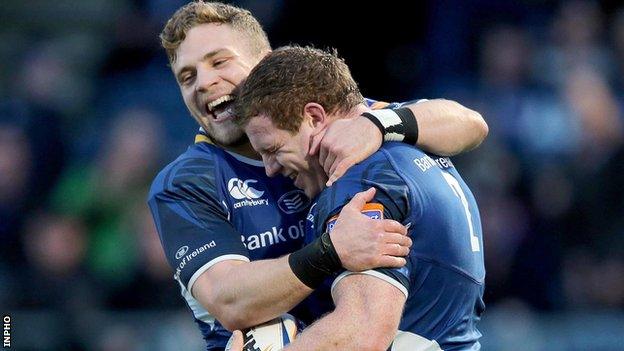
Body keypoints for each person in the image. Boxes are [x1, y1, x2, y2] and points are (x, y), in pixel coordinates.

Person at [148, 2, 488, 350]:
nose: (204, 82)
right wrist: (331, 250)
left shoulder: (348, 134)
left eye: (219, 61)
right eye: (187, 77)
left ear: (265, 61)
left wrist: (378, 124)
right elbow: (231, 300)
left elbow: (471, 123)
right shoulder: (186, 182)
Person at [234, 46, 485, 350]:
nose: (270, 169)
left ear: (314, 117)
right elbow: (473, 123)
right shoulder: (406, 138)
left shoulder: (358, 183)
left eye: (273, 150)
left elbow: (364, 331)